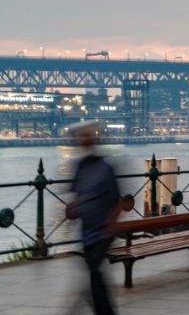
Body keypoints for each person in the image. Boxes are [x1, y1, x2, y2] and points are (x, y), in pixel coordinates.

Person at [66, 121, 121, 315]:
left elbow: (116, 201)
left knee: (95, 274)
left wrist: (110, 225)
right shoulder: (80, 167)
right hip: (88, 232)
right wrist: (73, 209)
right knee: (94, 276)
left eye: (87, 137)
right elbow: (77, 199)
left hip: (101, 232)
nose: (84, 141)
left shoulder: (105, 168)